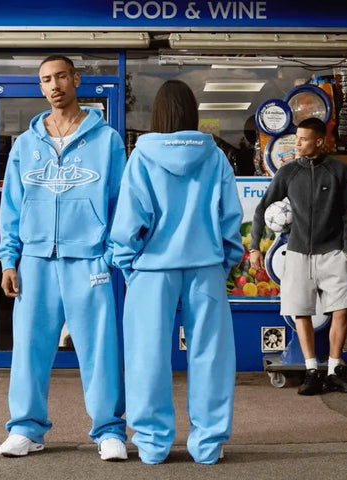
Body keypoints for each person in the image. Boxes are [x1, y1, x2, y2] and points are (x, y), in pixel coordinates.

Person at [0, 55, 127, 459]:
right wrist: (8, 259)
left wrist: (108, 255)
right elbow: (11, 207)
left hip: (89, 260)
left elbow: (120, 203)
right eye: (45, 80)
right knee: (29, 347)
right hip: (35, 260)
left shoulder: (107, 140)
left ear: (75, 79)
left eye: (60, 77)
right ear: (41, 87)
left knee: (99, 347)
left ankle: (109, 431)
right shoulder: (25, 143)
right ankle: (26, 429)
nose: (53, 86)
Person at [111, 80, 244, 465]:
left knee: (146, 356)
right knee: (212, 356)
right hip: (205, 267)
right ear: (192, 114)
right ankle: (207, 445)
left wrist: (127, 262)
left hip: (152, 270)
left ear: (157, 114)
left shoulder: (142, 157)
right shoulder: (215, 156)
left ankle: (152, 444)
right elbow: (230, 218)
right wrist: (225, 260)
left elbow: (131, 219)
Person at [250, 117, 347, 395]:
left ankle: (335, 369)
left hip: (333, 252)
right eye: (295, 138)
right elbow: (262, 208)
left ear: (320, 141)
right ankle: (312, 370)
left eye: (302, 139)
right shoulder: (287, 172)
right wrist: (254, 246)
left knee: (342, 311)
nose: (296, 143)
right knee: (301, 312)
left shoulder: (338, 170)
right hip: (298, 253)